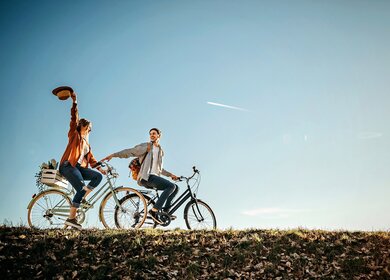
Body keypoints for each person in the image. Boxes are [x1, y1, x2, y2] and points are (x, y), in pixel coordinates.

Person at [102, 128, 179, 224]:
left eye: (154, 133)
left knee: (176, 188)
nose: (152, 135)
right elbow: (130, 151)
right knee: (171, 186)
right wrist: (113, 155)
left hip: (154, 177)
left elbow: (159, 169)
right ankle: (153, 211)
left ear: (159, 136)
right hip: (146, 177)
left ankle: (165, 213)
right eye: (150, 134)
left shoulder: (160, 151)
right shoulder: (146, 146)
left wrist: (171, 175)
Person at [59, 92, 106, 229]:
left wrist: (100, 168)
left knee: (97, 177)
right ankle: (71, 219)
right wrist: (75, 102)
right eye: (89, 128)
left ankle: (82, 196)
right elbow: (74, 118)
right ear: (84, 126)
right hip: (68, 166)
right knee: (80, 189)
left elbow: (90, 158)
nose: (90, 131)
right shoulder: (75, 134)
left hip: (78, 168)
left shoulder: (86, 142)